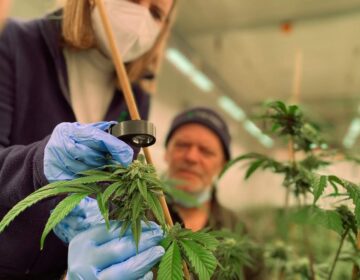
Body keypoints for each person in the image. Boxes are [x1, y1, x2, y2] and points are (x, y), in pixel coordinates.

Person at [0, 0, 175, 279]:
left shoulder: (137, 96)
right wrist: (39, 163)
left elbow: (117, 187)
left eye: (155, 13)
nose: (140, 17)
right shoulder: (15, 43)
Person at [163, 107, 237, 231]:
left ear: (222, 165)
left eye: (206, 151)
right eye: (182, 145)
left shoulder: (238, 232)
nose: (191, 157)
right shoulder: (133, 210)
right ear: (166, 152)